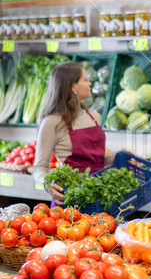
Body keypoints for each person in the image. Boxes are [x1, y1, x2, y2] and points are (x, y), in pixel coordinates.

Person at [32, 62, 127, 207]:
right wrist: (48, 184)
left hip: (99, 193)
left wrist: (120, 154)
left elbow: (96, 159)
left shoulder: (94, 116)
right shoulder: (52, 122)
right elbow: (39, 166)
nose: (90, 83)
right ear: (73, 86)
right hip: (71, 198)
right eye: (85, 79)